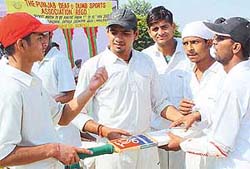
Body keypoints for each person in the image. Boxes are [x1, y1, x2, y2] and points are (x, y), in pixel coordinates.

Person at [0, 12, 129, 169]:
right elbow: (3, 155)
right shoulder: (9, 88)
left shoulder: (32, 80)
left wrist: (90, 89)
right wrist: (54, 150)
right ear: (21, 45)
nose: (45, 43)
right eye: (39, 38)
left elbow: (63, 116)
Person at [75, 8, 182, 169]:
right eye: (114, 32)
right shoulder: (93, 66)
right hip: (112, 150)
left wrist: (183, 119)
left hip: (146, 148)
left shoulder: (146, 62)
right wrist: (104, 131)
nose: (118, 38)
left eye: (125, 33)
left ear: (136, 34)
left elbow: (159, 102)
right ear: (107, 33)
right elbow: (77, 114)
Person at [166, 17, 250, 169]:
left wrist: (181, 143)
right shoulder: (241, 76)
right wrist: (196, 114)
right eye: (185, 43)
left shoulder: (234, 82)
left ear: (236, 47)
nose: (215, 42)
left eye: (220, 38)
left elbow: (220, 146)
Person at [142, 6, 192, 169]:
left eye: (164, 27)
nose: (160, 32)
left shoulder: (190, 52)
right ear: (149, 32)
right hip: (154, 129)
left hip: (187, 129)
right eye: (155, 28)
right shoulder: (144, 57)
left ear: (173, 27)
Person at [178, 21, 226, 169]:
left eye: (195, 42)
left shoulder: (223, 72)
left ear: (209, 43)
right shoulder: (186, 74)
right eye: (185, 43)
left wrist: (198, 114)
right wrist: (183, 110)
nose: (190, 48)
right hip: (193, 145)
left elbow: (226, 107)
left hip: (218, 146)